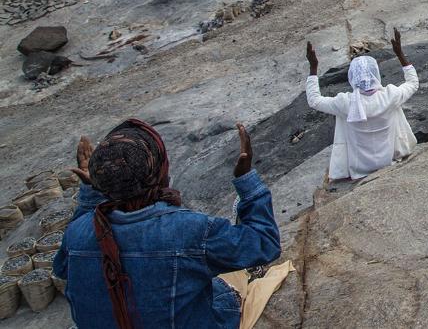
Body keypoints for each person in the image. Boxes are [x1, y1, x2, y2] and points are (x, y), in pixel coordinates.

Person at [55, 119, 280, 328]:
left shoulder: (78, 230)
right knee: (220, 288)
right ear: (159, 169)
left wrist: (90, 199)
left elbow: (62, 269)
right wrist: (246, 178)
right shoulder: (189, 230)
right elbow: (265, 243)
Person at [304, 35, 419, 181]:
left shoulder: (345, 103)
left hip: (359, 169)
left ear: (352, 77)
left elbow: (314, 101)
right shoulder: (390, 96)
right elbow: (413, 83)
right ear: (376, 74)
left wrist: (313, 67)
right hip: (387, 160)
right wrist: (400, 54)